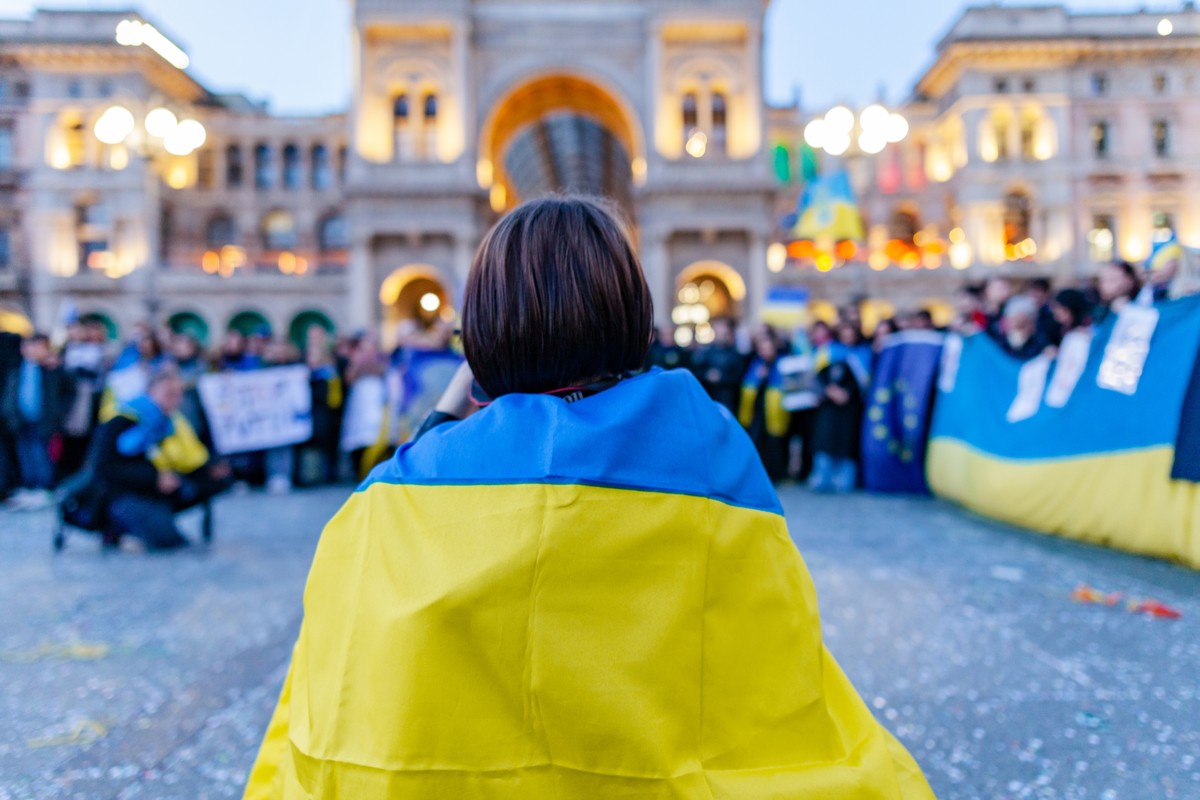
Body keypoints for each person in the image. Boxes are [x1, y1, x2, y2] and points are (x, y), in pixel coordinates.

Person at [245, 196, 933, 799]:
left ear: (478, 334)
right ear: (631, 310)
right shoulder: (709, 446)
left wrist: (441, 419)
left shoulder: (399, 490)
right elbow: (775, 664)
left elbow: (334, 696)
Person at [82, 366, 230, 550]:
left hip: (156, 489)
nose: (176, 400)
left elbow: (188, 455)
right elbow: (103, 467)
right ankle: (117, 528)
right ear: (152, 391)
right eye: (169, 394)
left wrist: (209, 468)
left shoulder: (169, 421)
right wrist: (153, 478)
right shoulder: (122, 419)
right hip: (123, 492)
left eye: (179, 394)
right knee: (168, 543)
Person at [2, 333, 74, 510]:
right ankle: (30, 487)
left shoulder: (51, 368)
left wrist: (58, 413)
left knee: (41, 454)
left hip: (43, 420)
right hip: (21, 420)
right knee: (25, 454)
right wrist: (11, 414)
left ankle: (44, 488)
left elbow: (68, 392)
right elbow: (10, 394)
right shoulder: (17, 368)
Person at [808, 321, 868, 493]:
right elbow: (817, 376)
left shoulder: (862, 354)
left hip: (851, 408)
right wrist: (829, 390)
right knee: (825, 440)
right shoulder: (829, 352)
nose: (847, 338)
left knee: (846, 442)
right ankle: (822, 477)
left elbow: (864, 382)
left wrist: (847, 393)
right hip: (829, 407)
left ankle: (843, 480)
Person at [738, 326, 791, 481]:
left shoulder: (782, 364)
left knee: (775, 443)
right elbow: (748, 385)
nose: (765, 352)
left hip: (775, 410)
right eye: (762, 349)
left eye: (768, 348)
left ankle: (777, 473)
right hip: (757, 411)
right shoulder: (756, 364)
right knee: (756, 441)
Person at [688, 317, 745, 415]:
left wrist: (722, 377)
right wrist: (707, 375)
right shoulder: (707, 353)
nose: (721, 336)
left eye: (724, 334)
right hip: (709, 398)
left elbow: (739, 376)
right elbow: (697, 373)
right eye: (719, 333)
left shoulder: (735, 355)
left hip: (728, 399)